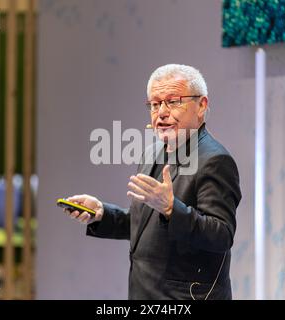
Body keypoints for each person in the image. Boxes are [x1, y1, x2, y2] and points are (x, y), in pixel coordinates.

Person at [64, 64, 241, 300]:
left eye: (173, 101)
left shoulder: (215, 159)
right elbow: (147, 225)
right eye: (155, 104)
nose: (162, 112)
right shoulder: (152, 153)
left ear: (201, 106)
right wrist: (102, 214)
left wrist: (171, 209)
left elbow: (221, 235)